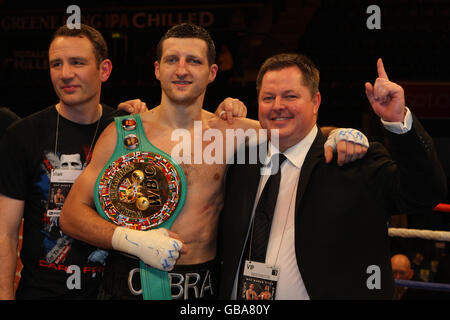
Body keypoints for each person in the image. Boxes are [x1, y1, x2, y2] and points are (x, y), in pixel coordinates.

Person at [60, 23, 367, 300]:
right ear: (157, 69)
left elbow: (295, 130)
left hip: (203, 287)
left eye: (193, 61)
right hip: (126, 281)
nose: (182, 70)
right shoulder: (122, 133)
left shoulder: (233, 134)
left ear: (212, 72)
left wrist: (337, 134)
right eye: (171, 60)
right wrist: (130, 240)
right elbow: (71, 215)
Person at [218, 53, 447, 300]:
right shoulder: (241, 162)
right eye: (268, 98)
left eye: (290, 96)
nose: (277, 106)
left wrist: (397, 122)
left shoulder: (352, 159)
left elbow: (425, 193)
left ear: (315, 101)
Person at [0, 24, 147, 300]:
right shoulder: (22, 135)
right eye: (57, 64)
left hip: (111, 292)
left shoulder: (127, 132)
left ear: (104, 70)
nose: (65, 74)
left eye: (77, 63)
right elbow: (5, 234)